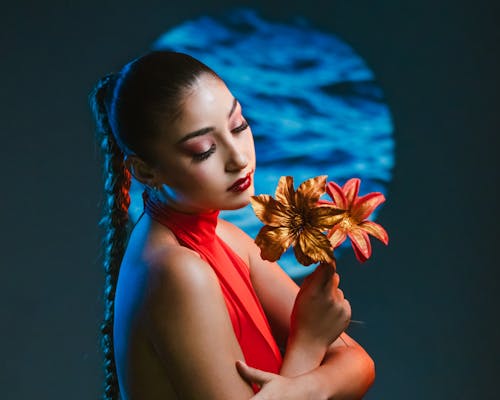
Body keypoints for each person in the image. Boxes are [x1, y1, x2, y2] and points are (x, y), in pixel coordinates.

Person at [89, 50, 375, 400]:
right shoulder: (175, 270)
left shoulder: (228, 239)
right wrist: (308, 345)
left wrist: (301, 387)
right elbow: (332, 355)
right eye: (204, 150)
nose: (239, 158)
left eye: (238, 125)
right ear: (146, 171)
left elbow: (359, 363)